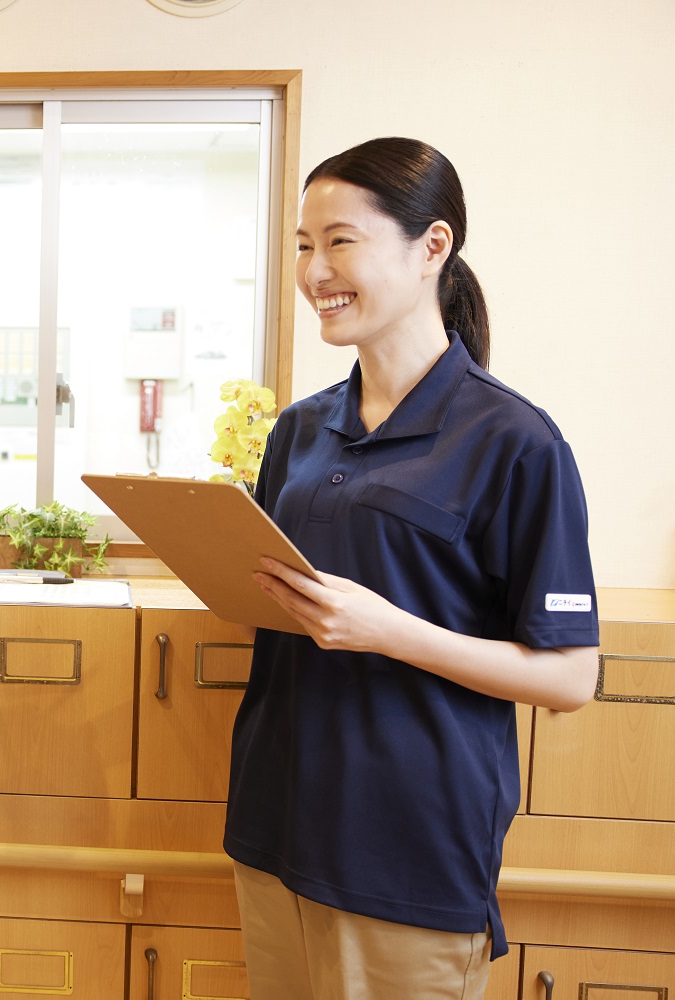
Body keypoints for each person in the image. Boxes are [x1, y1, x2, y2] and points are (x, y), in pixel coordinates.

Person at [224, 137, 600, 1000]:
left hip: (403, 852)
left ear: (432, 247)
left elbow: (572, 676)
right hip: (274, 826)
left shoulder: (514, 441)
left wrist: (388, 632)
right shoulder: (298, 430)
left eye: (340, 241)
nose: (314, 269)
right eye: (301, 245)